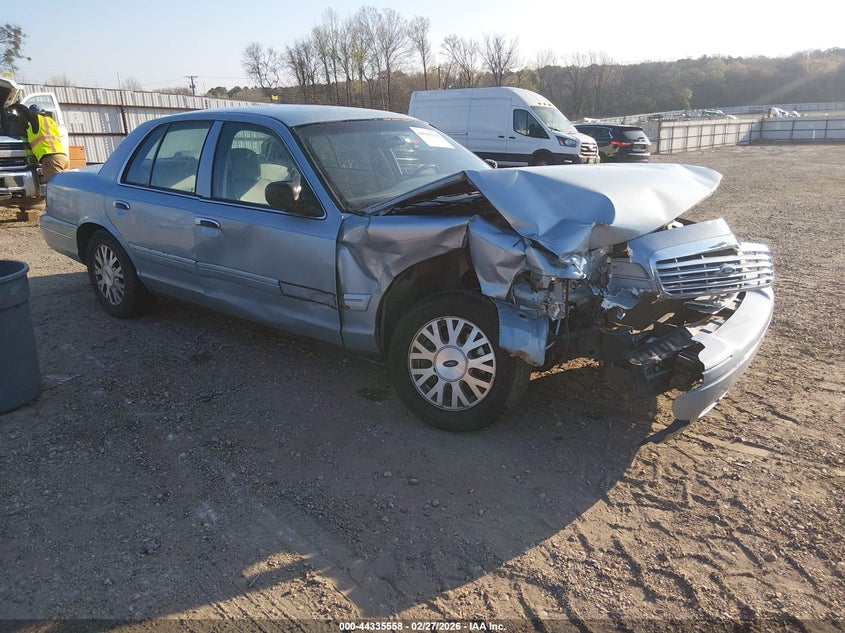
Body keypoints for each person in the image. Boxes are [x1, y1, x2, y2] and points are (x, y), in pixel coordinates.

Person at [9, 103, 69, 182]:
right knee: (65, 185)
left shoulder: (38, 120)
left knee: (55, 187)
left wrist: (12, 106)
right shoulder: (50, 122)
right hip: (63, 157)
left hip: (51, 159)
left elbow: (24, 110)